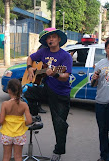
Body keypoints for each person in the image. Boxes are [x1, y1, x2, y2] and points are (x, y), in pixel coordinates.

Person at [23, 27, 73, 161]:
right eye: (48, 38)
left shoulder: (65, 56)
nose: (50, 39)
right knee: (27, 92)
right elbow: (30, 58)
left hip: (61, 93)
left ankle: (58, 152)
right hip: (47, 88)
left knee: (60, 124)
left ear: (58, 39)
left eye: (53, 37)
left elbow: (66, 76)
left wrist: (55, 74)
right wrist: (30, 68)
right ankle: (35, 116)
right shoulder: (43, 52)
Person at [0, 79, 32, 161]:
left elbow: (1, 121)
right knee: (18, 157)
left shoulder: (5, 104)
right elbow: (29, 121)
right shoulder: (24, 105)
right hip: (19, 134)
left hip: (7, 133)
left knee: (6, 156)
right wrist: (22, 124)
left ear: (9, 90)